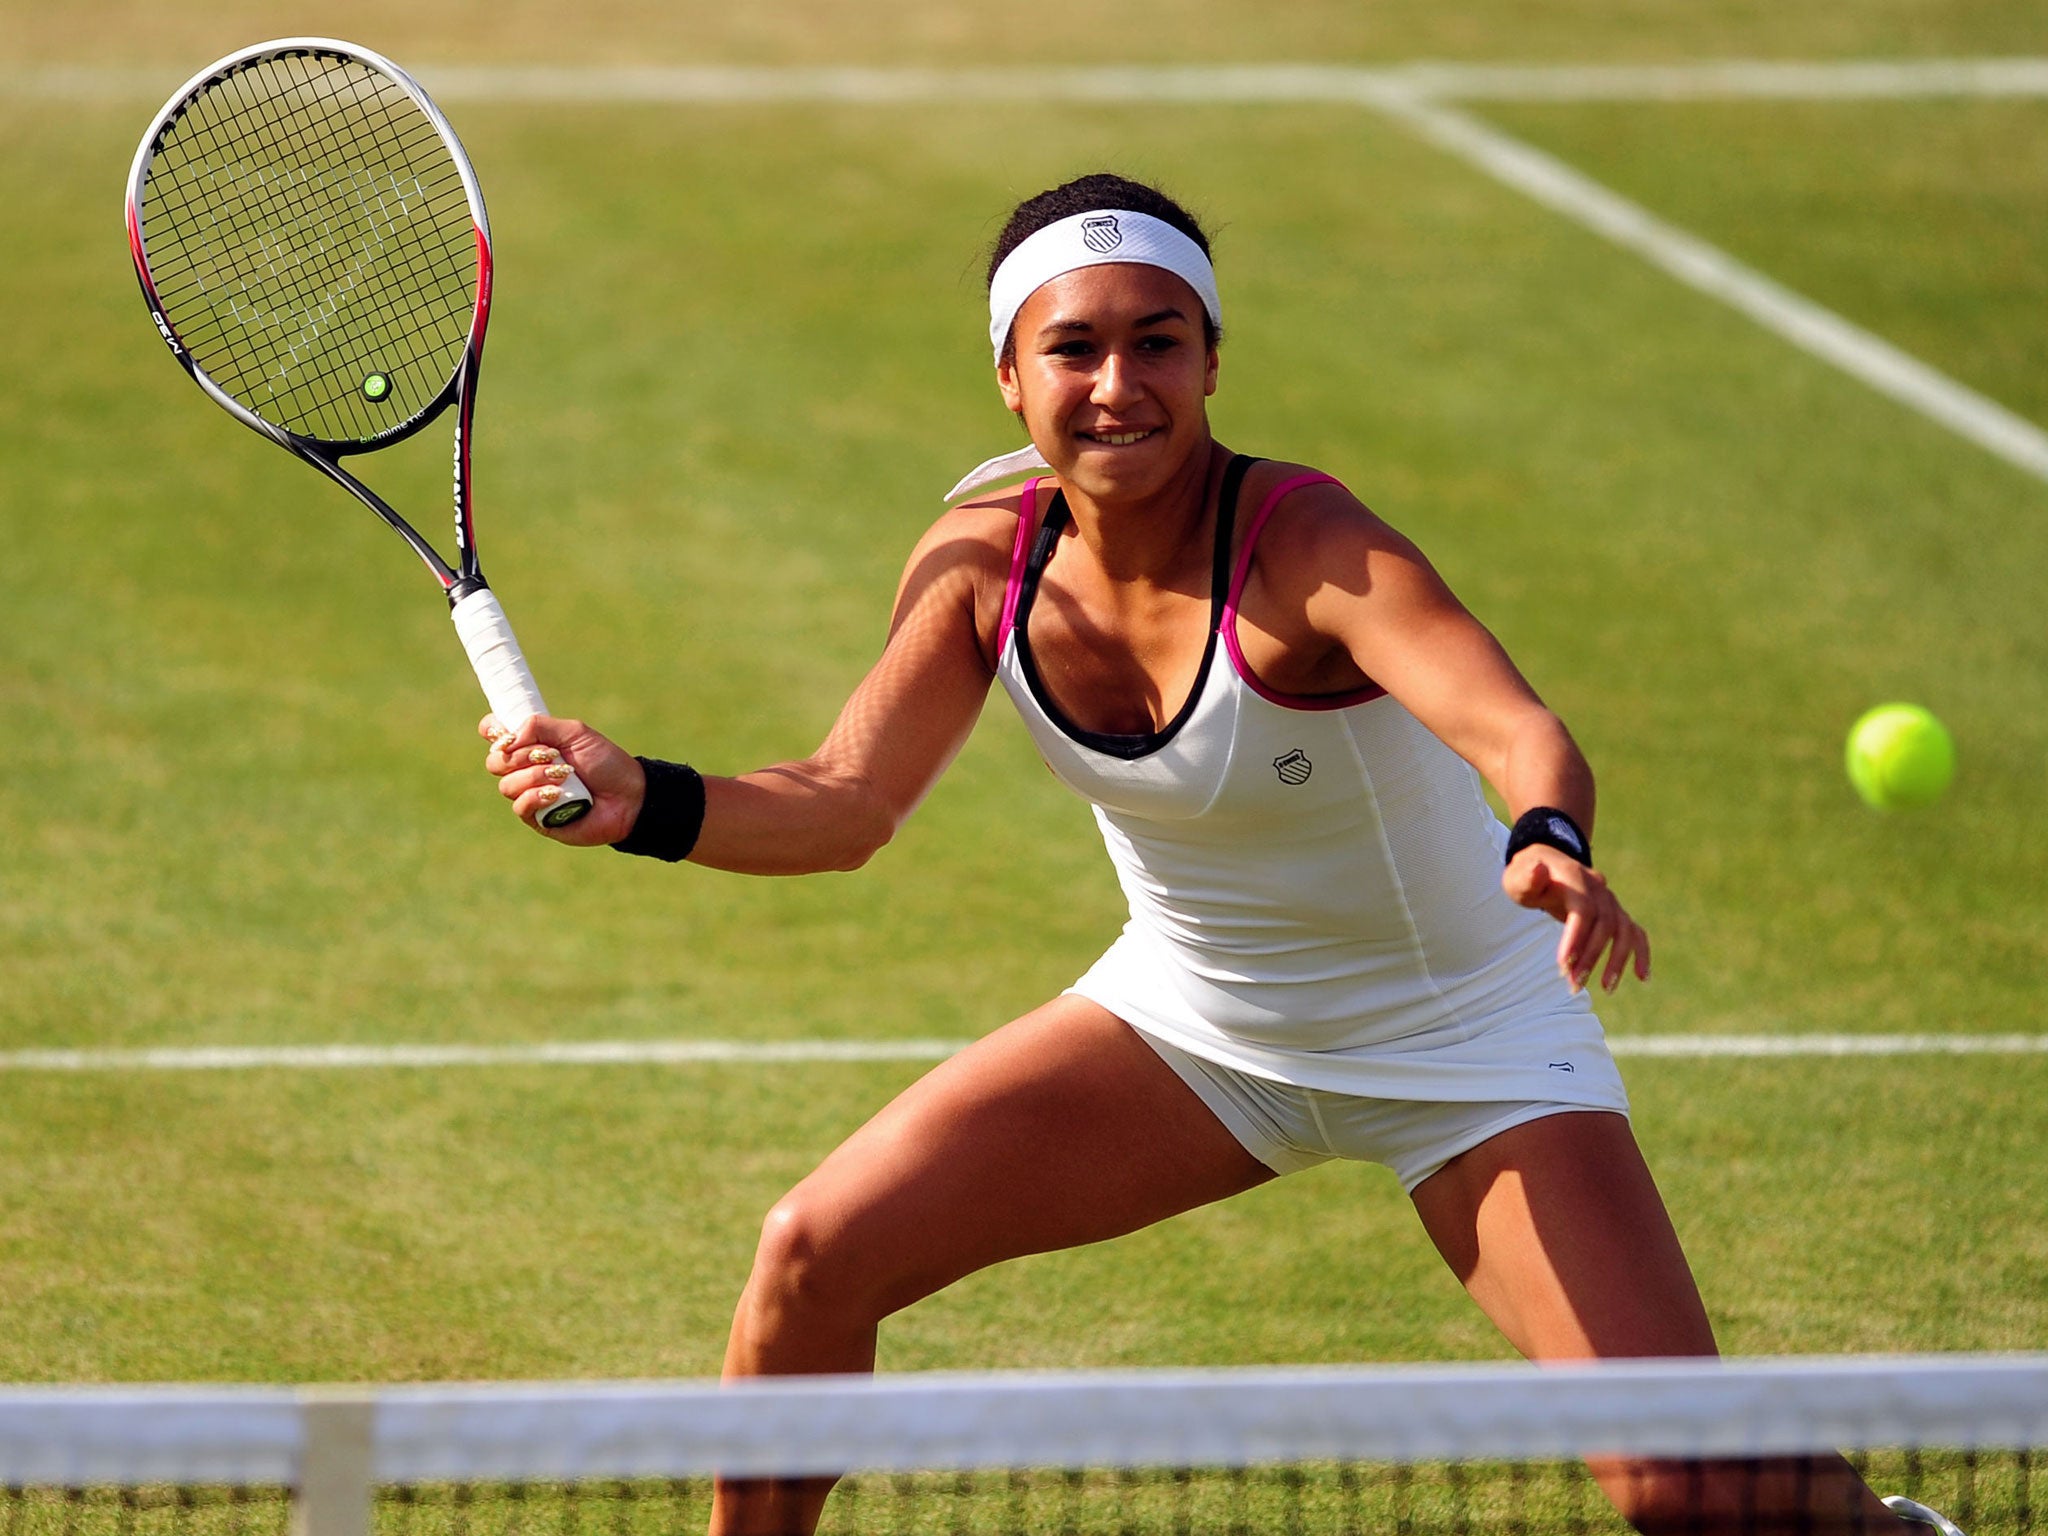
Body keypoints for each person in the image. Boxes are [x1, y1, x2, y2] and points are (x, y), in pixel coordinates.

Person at [482, 173, 1963, 1536]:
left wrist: (1549, 839)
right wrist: (646, 802)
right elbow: (843, 804)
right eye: (1073, 350)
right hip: (1196, 1026)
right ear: (1011, 375)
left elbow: (1513, 723)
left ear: (1209, 359)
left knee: (1684, 1487)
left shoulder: (1308, 544)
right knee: (811, 1251)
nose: (1117, 384)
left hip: (1465, 1040)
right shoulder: (976, 564)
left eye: (1158, 342)